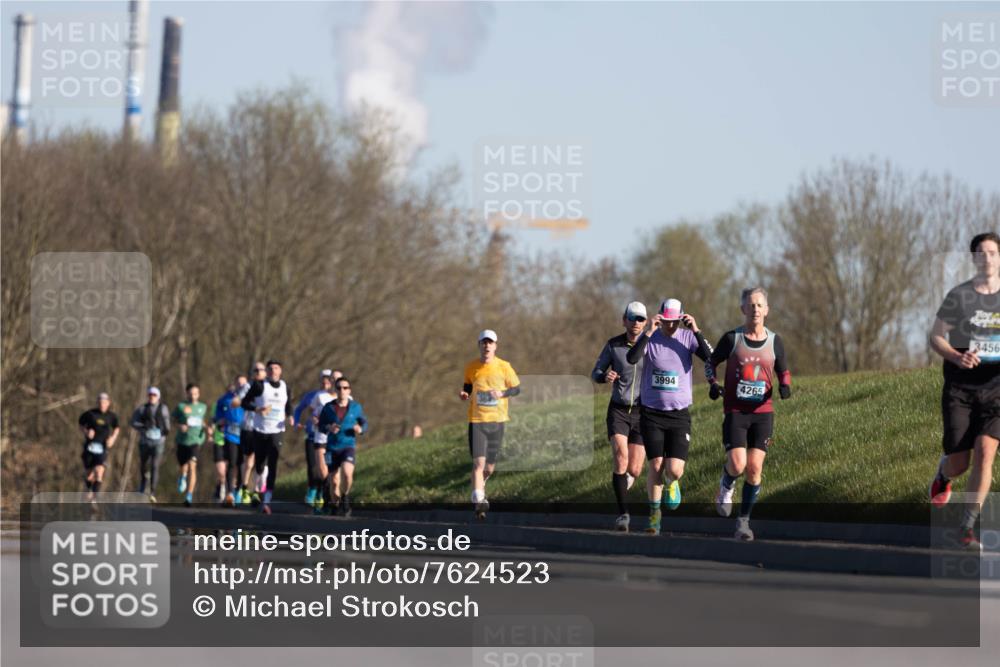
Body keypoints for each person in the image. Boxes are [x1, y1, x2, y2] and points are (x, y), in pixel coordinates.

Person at [928, 232, 1000, 550]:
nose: (988, 259)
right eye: (981, 253)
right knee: (961, 462)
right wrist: (957, 355)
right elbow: (936, 337)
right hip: (961, 387)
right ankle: (944, 474)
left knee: (986, 454)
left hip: (995, 389)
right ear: (974, 259)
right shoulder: (960, 296)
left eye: (993, 253)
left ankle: (966, 528)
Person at [706, 287, 792, 542]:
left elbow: (783, 370)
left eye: (759, 305)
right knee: (738, 464)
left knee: (754, 469)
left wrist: (785, 386)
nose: (755, 309)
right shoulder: (732, 339)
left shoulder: (775, 341)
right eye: (750, 305)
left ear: (767, 310)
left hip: (763, 413)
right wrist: (712, 384)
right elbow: (711, 362)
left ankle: (743, 522)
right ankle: (726, 483)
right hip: (736, 411)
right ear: (743, 309)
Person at [625, 299, 713, 535]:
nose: (671, 326)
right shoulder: (651, 337)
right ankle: (654, 516)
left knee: (674, 469)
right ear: (661, 318)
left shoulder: (687, 338)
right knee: (655, 464)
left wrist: (696, 329)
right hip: (652, 412)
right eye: (667, 321)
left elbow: (710, 357)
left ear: (681, 319)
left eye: (675, 321)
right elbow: (632, 358)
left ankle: (673, 483)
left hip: (679, 414)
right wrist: (649, 331)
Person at [592, 301, 648, 532]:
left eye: (640, 319)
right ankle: (623, 514)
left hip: (643, 412)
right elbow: (595, 372)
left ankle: (620, 487)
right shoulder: (613, 345)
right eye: (632, 318)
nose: (636, 323)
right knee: (621, 457)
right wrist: (605, 377)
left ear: (646, 322)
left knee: (634, 469)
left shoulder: (651, 345)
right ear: (623, 320)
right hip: (618, 410)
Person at [460, 329, 521, 519]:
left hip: (497, 420)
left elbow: (516, 388)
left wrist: (502, 394)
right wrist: (465, 394)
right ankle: (479, 500)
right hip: (477, 420)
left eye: (490, 343)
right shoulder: (471, 367)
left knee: (489, 468)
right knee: (478, 463)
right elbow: (468, 384)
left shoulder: (504, 367)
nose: (487, 346)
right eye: (483, 342)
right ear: (479, 345)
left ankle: (480, 486)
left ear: (495, 346)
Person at [241, 359, 294, 515]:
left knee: (273, 462)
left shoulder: (285, 387)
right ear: (267, 371)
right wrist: (257, 408)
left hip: (277, 430)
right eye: (270, 368)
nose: (272, 371)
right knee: (260, 465)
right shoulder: (259, 386)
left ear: (280, 371)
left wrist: (290, 416)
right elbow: (244, 403)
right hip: (260, 429)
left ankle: (267, 500)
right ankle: (257, 490)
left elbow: (288, 405)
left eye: (276, 368)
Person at [316, 376, 368, 517]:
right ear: (335, 390)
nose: (342, 390)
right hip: (332, 448)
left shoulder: (355, 407)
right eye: (339, 388)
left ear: (349, 390)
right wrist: (329, 427)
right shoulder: (329, 407)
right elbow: (320, 426)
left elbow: (365, 423)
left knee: (347, 473)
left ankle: (345, 496)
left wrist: (360, 429)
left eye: (345, 388)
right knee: (333, 481)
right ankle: (334, 506)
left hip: (348, 446)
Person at [293, 369, 335, 508]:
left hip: (328, 438)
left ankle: (322, 492)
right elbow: (300, 409)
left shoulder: (336, 396)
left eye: (328, 379)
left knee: (326, 467)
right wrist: (297, 421)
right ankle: (312, 489)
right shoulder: (312, 395)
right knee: (313, 466)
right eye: (323, 379)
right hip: (312, 435)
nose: (325, 382)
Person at [130, 386, 170, 502]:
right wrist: (143, 427)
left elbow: (167, 424)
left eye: (154, 395)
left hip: (158, 442)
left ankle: (152, 492)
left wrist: (163, 431)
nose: (152, 397)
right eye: (150, 395)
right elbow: (133, 422)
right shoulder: (142, 409)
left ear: (158, 397)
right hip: (144, 441)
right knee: (144, 465)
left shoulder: (163, 408)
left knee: (155, 465)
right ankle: (142, 485)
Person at [78, 392, 120, 501]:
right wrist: (86, 432)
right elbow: (81, 424)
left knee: (99, 471)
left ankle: (95, 498)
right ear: (97, 403)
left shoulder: (111, 416)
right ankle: (89, 490)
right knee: (89, 475)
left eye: (104, 402)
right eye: (100, 402)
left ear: (108, 403)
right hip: (89, 448)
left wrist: (112, 438)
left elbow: (117, 427)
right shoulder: (90, 414)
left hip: (102, 448)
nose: (102, 405)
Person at [235, 363, 266, 505]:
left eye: (261, 370)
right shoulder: (247, 387)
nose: (259, 372)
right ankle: (244, 487)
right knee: (249, 461)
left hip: (264, 428)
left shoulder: (269, 388)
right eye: (256, 370)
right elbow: (239, 401)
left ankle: (256, 490)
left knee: (260, 461)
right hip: (248, 427)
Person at [173, 383, 208, 507]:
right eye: (191, 393)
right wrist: (180, 425)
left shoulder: (203, 407)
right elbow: (174, 419)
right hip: (182, 441)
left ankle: (189, 495)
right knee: (184, 466)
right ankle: (182, 476)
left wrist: (207, 428)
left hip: (196, 440)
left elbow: (203, 421)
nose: (194, 396)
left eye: (196, 393)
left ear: (199, 394)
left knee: (192, 465)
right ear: (187, 393)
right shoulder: (181, 406)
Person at [213, 375, 246, 506]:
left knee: (242, 464)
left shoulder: (249, 398)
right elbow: (218, 411)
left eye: (243, 384)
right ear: (235, 384)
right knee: (232, 462)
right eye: (239, 383)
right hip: (230, 434)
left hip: (245, 434)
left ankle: (239, 490)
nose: (240, 386)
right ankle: (230, 493)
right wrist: (219, 419)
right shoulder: (225, 398)